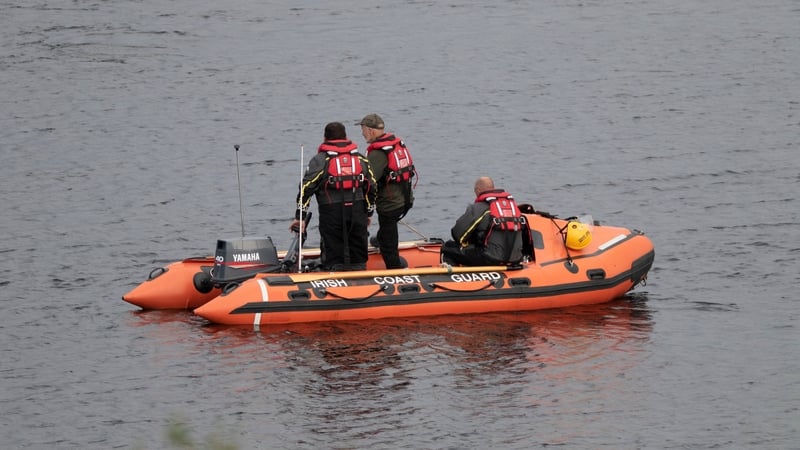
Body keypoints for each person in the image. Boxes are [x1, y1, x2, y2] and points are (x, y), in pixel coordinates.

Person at [290, 122, 376, 271]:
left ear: (325, 138)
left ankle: (334, 277)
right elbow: (372, 187)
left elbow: (305, 188)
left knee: (333, 254)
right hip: (357, 211)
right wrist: (368, 213)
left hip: (331, 213)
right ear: (346, 137)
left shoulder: (320, 160)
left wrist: (300, 217)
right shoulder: (361, 160)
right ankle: (359, 275)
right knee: (357, 251)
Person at [356, 113, 416, 269]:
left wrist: (362, 204)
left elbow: (369, 182)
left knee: (389, 245)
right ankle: (381, 239)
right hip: (406, 200)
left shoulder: (377, 154)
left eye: (363, 130)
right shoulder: (396, 145)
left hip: (389, 205)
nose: (362, 134)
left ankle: (394, 269)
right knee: (388, 229)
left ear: (370, 130)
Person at [441, 176, 531, 266]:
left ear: (478, 190)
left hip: (490, 258)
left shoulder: (478, 208)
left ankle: (453, 275)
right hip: (515, 258)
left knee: (448, 248)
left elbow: (457, 234)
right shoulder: (513, 208)